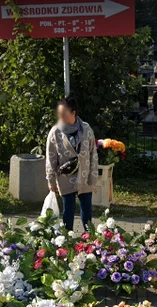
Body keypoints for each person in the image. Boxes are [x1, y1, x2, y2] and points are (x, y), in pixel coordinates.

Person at [45, 95, 98, 232]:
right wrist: (51, 179)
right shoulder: (55, 132)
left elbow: (93, 153)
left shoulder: (86, 129)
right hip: (65, 178)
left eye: (64, 114)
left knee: (87, 211)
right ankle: (67, 239)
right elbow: (50, 158)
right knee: (68, 211)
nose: (61, 117)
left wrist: (93, 176)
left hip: (84, 176)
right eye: (60, 114)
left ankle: (89, 240)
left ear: (73, 113)